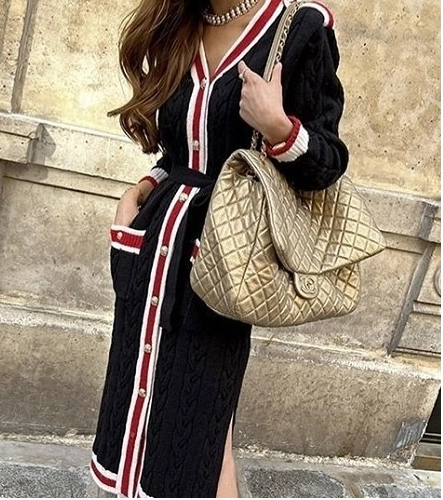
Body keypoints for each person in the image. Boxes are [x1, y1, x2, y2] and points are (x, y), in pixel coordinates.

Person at [90, 0, 349, 497]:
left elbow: (328, 162)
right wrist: (139, 190)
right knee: (137, 403)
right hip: (154, 247)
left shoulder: (300, 28)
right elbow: (180, 152)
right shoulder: (181, 24)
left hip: (222, 258)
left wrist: (279, 129)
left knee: (199, 421)